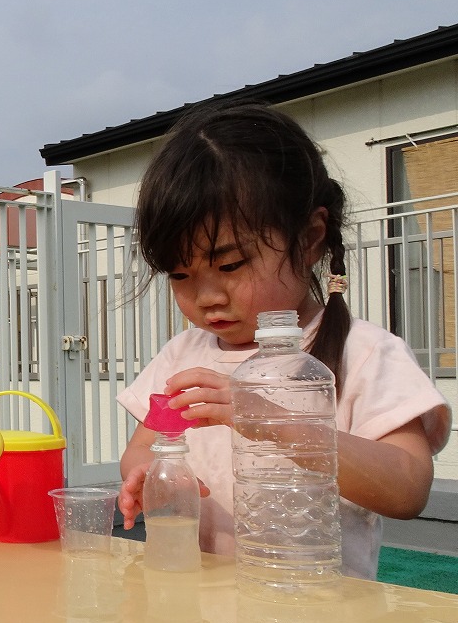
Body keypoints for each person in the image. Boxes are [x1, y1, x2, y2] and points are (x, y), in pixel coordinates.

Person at [116, 100, 451, 580]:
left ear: (310, 238)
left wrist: (271, 419)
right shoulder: (182, 356)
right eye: (180, 275)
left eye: (230, 265)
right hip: (204, 607)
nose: (207, 297)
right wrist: (150, 474)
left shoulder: (364, 352)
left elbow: (407, 488)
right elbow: (141, 447)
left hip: (315, 611)